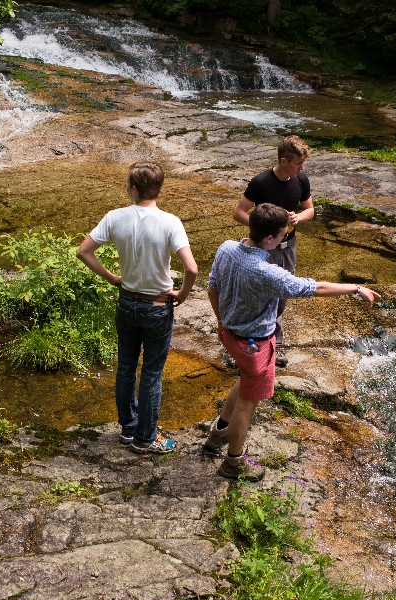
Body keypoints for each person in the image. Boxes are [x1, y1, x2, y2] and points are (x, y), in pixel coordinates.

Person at [205, 203, 379, 481]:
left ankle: (218, 434)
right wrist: (355, 287)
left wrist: (221, 320)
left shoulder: (226, 248)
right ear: (271, 238)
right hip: (255, 346)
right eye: (283, 235)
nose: (285, 238)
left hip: (230, 335)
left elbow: (212, 287)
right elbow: (314, 287)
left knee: (244, 380)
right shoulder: (266, 272)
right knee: (247, 405)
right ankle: (233, 463)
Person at [77, 162, 198, 455]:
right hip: (157, 306)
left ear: (133, 188)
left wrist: (112, 278)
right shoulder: (171, 222)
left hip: (127, 301)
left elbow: (84, 251)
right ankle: (146, 438)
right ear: (159, 188)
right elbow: (191, 268)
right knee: (152, 373)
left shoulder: (115, 217)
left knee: (127, 367)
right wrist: (181, 293)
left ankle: (128, 430)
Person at [233, 135, 314, 352]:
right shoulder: (261, 182)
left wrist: (299, 217)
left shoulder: (301, 180)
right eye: (298, 163)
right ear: (284, 161)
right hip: (264, 249)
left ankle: (273, 344)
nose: (302, 167)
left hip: (288, 247)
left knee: (282, 295)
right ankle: (253, 341)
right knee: (260, 295)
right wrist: (263, 227)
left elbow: (310, 209)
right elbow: (239, 212)